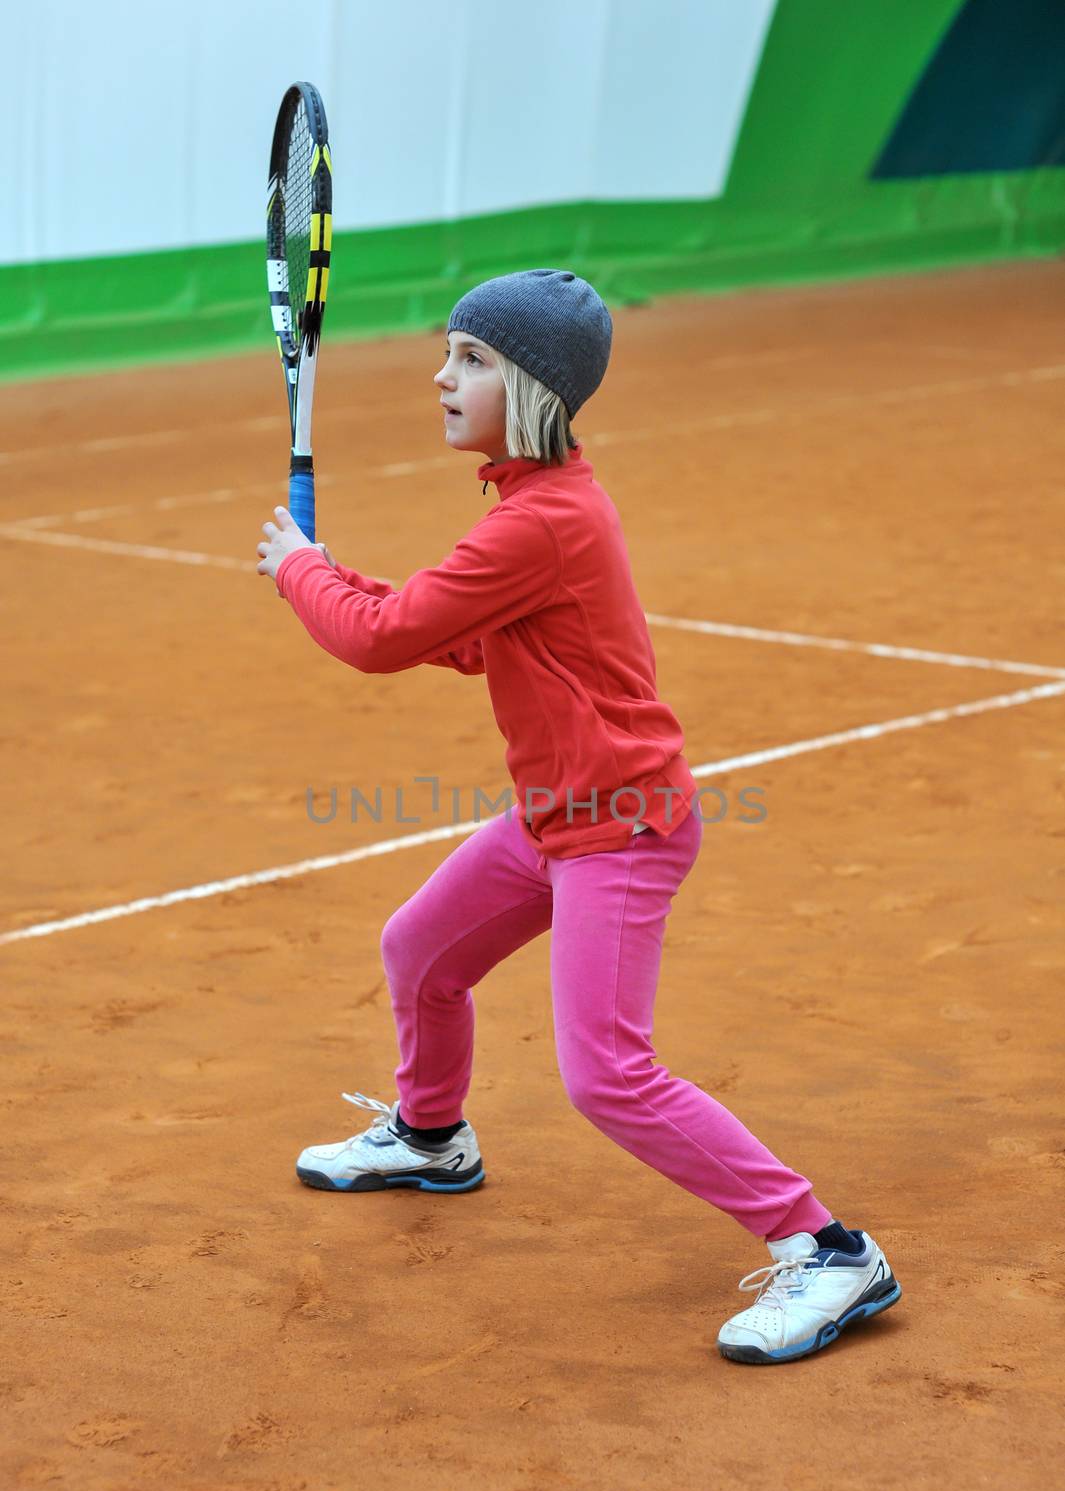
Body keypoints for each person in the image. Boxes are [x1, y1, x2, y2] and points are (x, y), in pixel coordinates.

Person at [255, 267, 901, 1365]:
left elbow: (381, 639)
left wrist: (302, 574)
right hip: (554, 817)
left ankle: (831, 1251)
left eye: (472, 363)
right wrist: (332, 575)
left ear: (536, 389)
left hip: (620, 829)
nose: (441, 377)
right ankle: (431, 1135)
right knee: (419, 947)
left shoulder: (541, 521)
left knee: (606, 1072)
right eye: (448, 355)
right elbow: (455, 632)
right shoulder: (527, 507)